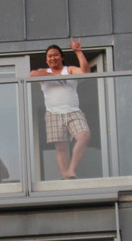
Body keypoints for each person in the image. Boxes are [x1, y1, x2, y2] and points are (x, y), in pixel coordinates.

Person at [30, 40, 92, 179]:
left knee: (84, 136)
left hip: (73, 111)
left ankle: (71, 170)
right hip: (53, 113)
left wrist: (78, 52)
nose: (53, 58)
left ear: (61, 57)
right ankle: (67, 176)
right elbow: (32, 74)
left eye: (56, 55)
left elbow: (85, 72)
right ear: (46, 60)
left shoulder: (69, 70)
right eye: (50, 56)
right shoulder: (44, 72)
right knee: (61, 147)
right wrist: (55, 76)